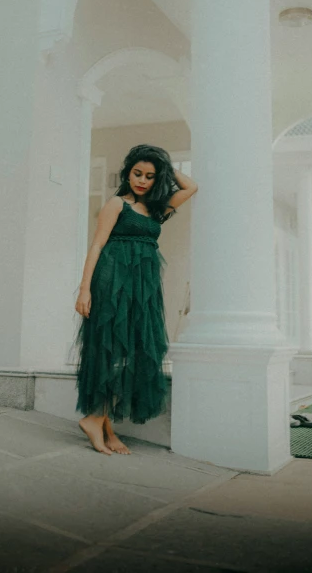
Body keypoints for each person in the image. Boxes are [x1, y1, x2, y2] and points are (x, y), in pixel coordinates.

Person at [75, 144, 198, 455]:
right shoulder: (117, 204)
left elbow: (192, 187)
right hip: (112, 281)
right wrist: (84, 289)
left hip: (142, 289)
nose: (142, 180)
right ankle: (95, 419)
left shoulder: (158, 209)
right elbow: (97, 245)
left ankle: (105, 425)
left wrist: (165, 166)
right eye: (137, 173)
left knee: (135, 351)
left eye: (149, 176)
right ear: (128, 173)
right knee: (111, 348)